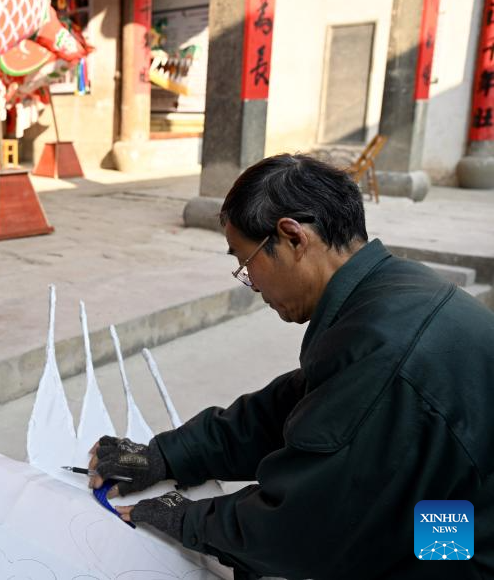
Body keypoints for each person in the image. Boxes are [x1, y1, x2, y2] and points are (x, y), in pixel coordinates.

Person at [88, 154, 494, 579]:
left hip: (463, 544)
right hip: (454, 508)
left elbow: (304, 525)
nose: (253, 284)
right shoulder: (390, 290)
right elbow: (288, 411)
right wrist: (167, 456)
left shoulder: (384, 350)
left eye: (247, 264)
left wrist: (187, 519)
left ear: (294, 238)